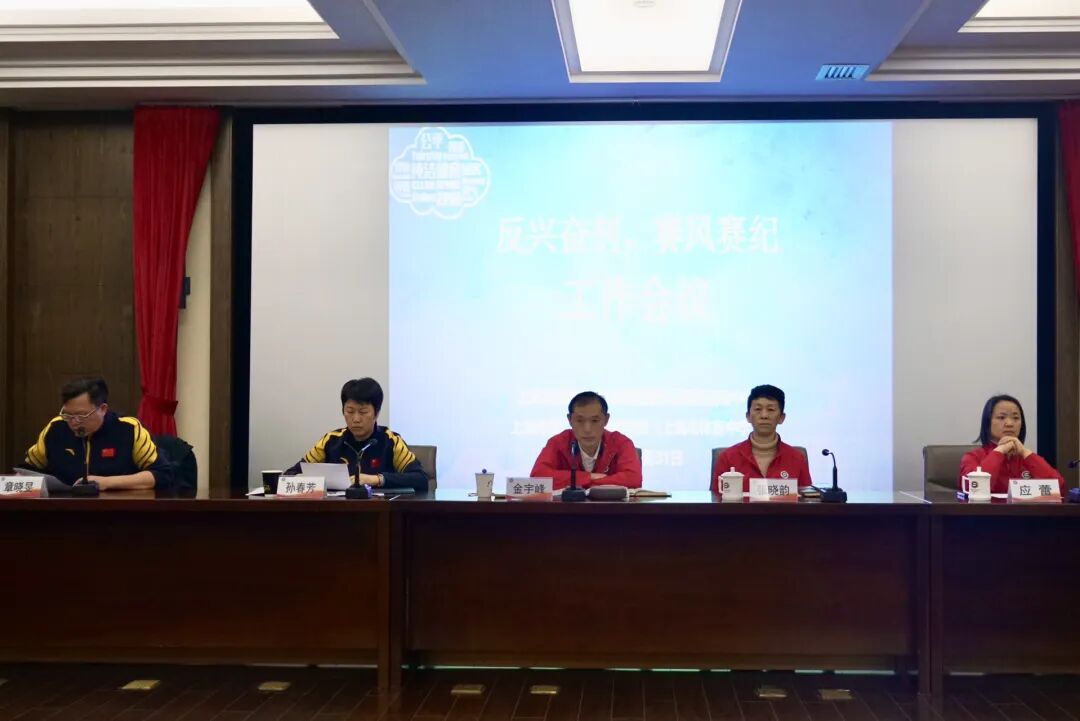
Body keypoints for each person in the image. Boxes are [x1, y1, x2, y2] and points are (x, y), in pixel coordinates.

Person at [23, 376, 172, 490]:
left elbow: (162, 474)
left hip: (117, 512)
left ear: (103, 409)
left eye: (82, 415)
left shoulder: (129, 429)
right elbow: (27, 470)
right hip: (62, 511)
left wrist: (106, 482)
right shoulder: (55, 427)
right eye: (68, 415)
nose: (74, 422)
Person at [285, 377, 428, 492]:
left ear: (376, 413)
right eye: (350, 411)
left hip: (379, 513)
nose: (356, 419)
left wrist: (376, 480)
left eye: (363, 412)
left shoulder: (390, 441)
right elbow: (290, 474)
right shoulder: (331, 440)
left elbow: (420, 479)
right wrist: (306, 479)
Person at [530, 391, 642, 490]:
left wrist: (578, 482)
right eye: (579, 421)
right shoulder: (558, 442)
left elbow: (633, 479)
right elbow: (537, 478)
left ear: (606, 419)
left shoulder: (621, 443)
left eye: (595, 421)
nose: (587, 429)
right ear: (570, 420)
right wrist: (589, 477)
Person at [711, 384, 811, 492]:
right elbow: (716, 500)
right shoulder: (727, 458)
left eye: (771, 409)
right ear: (748, 416)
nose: (764, 415)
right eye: (758, 409)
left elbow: (808, 499)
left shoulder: (797, 458)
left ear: (781, 418)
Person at [958, 394, 1064, 495]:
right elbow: (973, 487)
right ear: (987, 423)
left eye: (1016, 418)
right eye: (1001, 417)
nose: (1009, 424)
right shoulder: (973, 457)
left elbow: (1059, 488)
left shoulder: (1028, 458)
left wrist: (1025, 452)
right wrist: (1000, 451)